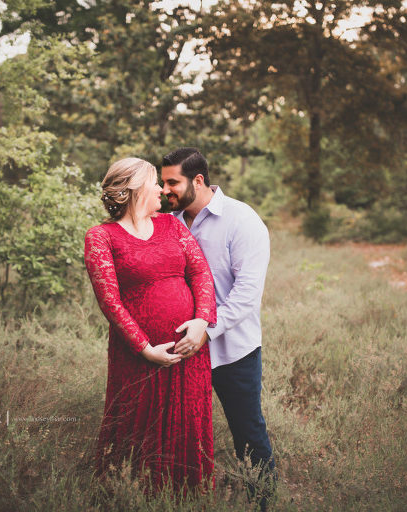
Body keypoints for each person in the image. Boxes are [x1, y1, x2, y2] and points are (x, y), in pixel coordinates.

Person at [83, 157, 217, 493]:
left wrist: (201, 321)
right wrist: (145, 348)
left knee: (186, 422)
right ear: (136, 188)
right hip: (138, 356)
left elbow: (200, 272)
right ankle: (131, 494)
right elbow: (110, 301)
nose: (161, 189)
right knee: (137, 426)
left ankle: (188, 495)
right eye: (156, 182)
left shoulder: (172, 226)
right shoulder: (102, 237)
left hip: (190, 351)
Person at [161, 147, 276, 507]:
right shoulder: (167, 221)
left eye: (172, 182)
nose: (165, 190)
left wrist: (207, 330)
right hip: (179, 350)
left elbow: (246, 295)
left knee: (248, 434)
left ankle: (265, 502)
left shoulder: (242, 220)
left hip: (232, 351)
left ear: (198, 180)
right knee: (179, 433)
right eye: (162, 183)